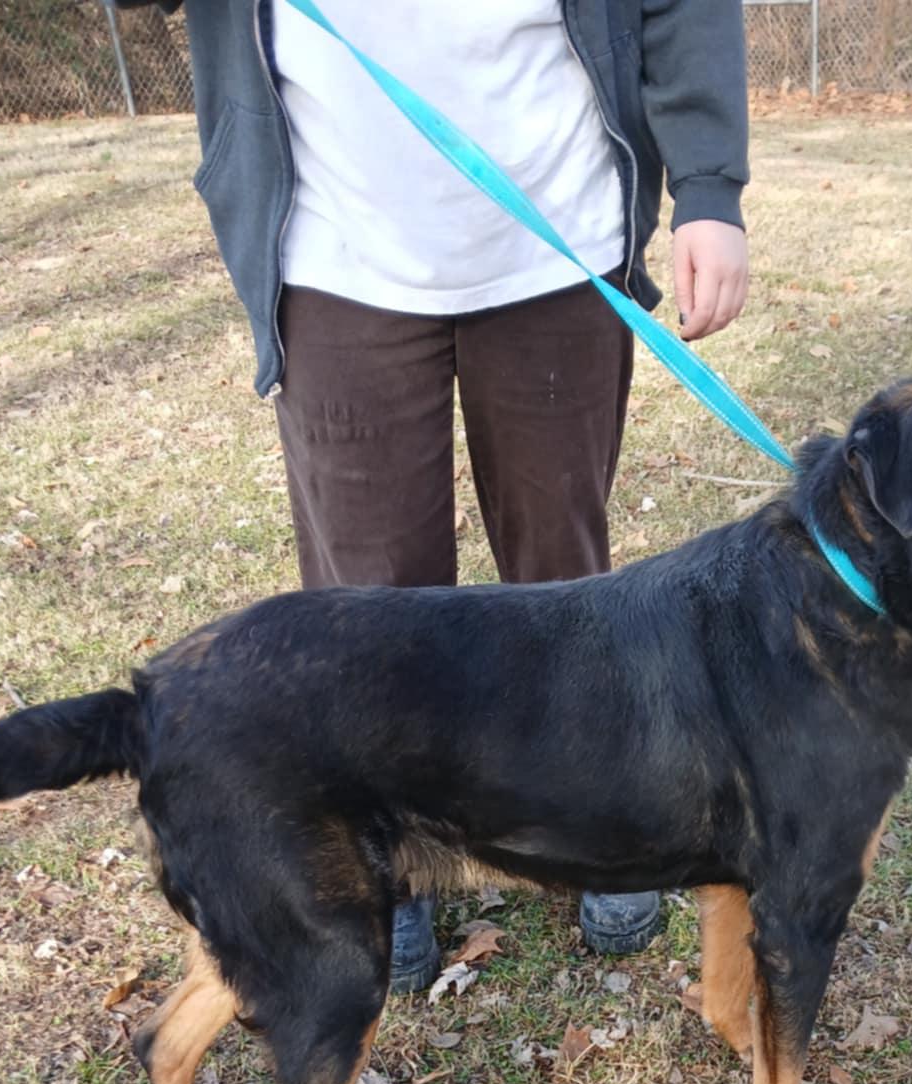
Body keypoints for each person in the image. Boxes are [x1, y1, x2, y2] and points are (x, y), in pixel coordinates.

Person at [118, 0, 751, 990]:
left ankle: (597, 824)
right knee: (362, 609)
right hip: (333, 247)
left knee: (565, 579)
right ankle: (385, 870)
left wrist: (709, 186)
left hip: (558, 238)